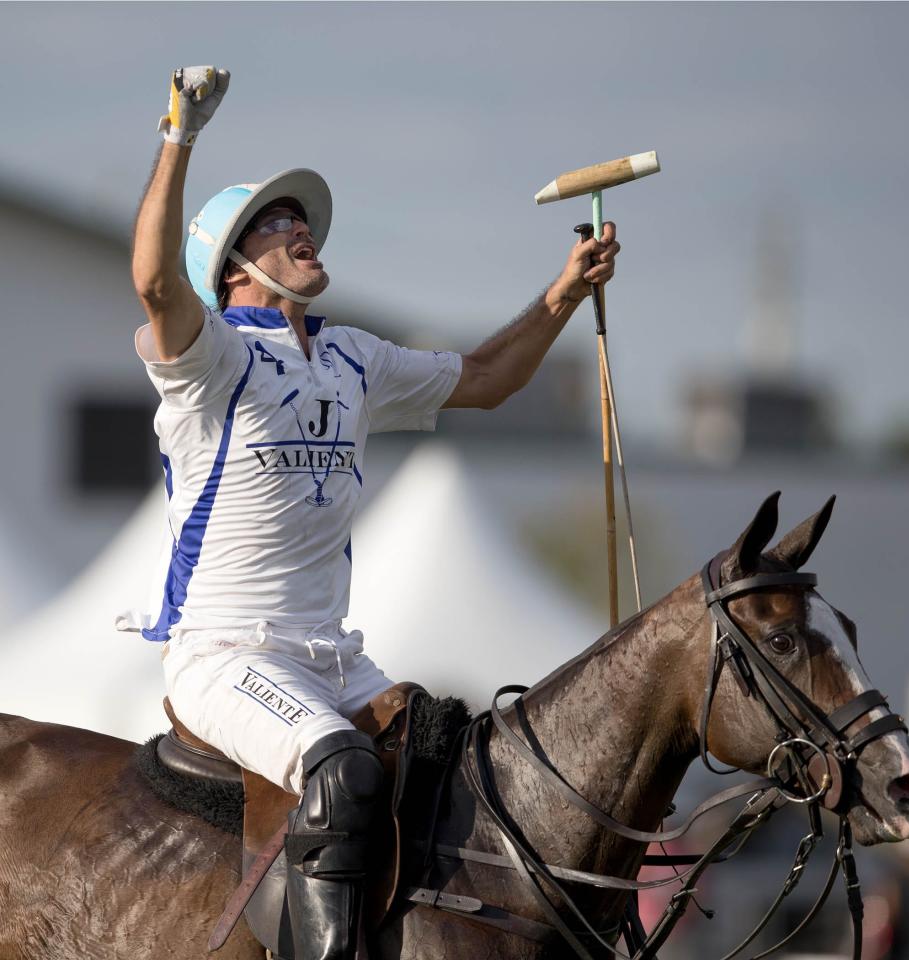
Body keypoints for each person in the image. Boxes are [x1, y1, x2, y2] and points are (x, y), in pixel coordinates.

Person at [129, 66, 620, 960]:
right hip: (224, 652)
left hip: (331, 656)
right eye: (275, 227)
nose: (301, 230)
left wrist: (568, 290)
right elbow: (157, 288)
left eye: (301, 221)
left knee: (460, 754)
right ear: (233, 268)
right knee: (345, 771)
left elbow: (487, 379)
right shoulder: (208, 360)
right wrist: (179, 138)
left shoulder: (354, 356)